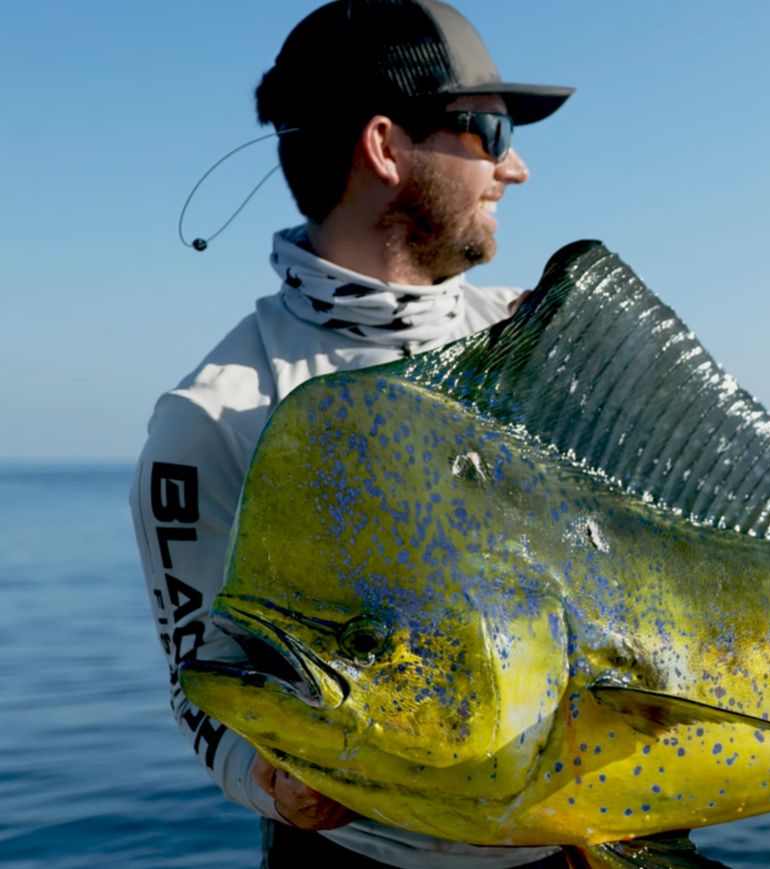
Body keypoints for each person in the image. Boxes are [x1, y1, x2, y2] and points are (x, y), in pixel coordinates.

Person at [128, 2, 575, 865]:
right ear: (383, 146)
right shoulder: (214, 412)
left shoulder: (542, 342)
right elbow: (203, 684)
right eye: (488, 130)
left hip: (585, 840)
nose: (514, 168)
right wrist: (273, 781)